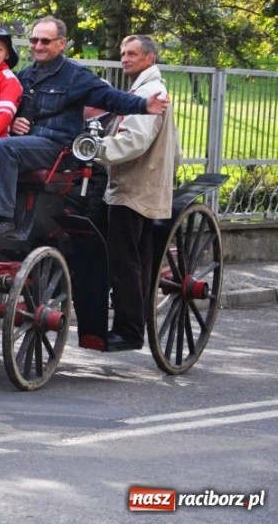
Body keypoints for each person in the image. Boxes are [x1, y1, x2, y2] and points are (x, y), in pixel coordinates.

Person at [0, 16, 170, 240]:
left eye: (45, 41)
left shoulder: (75, 75)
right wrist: (14, 122)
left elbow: (110, 98)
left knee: (4, 148)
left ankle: (0, 218)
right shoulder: (24, 76)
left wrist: (143, 105)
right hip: (27, 146)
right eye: (34, 40)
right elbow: (4, 107)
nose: (38, 46)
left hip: (58, 148)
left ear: (61, 44)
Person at [95, 34, 182, 352]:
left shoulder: (149, 93)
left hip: (132, 189)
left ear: (150, 58)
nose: (125, 59)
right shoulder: (151, 90)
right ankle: (133, 327)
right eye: (122, 54)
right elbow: (175, 147)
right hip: (146, 188)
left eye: (132, 54)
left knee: (125, 262)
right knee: (139, 261)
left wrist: (94, 150)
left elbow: (133, 142)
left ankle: (128, 331)